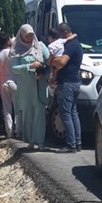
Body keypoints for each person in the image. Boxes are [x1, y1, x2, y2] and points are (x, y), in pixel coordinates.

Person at [9, 24, 50, 149]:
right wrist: (29, 66)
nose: (30, 38)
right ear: (21, 36)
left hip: (40, 85)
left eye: (32, 35)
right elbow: (14, 68)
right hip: (26, 88)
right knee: (28, 114)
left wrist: (43, 72)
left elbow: (49, 62)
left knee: (40, 114)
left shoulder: (41, 46)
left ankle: (40, 141)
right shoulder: (17, 50)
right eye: (27, 36)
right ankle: (31, 141)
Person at [51, 23, 84, 152]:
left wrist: (50, 60)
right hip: (74, 82)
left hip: (67, 83)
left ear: (64, 33)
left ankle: (71, 144)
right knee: (73, 113)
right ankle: (77, 142)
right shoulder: (75, 43)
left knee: (66, 114)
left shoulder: (71, 45)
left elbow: (61, 62)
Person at [0, 34, 16, 138]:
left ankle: (9, 131)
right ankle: (18, 131)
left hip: (3, 82)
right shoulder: (14, 53)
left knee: (7, 109)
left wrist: (1, 81)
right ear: (7, 42)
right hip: (15, 81)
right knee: (17, 107)